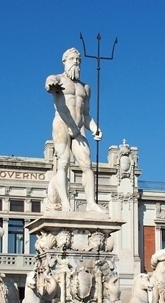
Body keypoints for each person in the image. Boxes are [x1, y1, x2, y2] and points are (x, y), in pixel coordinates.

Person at [45, 48, 104, 213]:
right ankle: (65, 202)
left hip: (78, 130)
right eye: (72, 59)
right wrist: (51, 85)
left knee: (87, 164)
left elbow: (86, 115)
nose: (76, 62)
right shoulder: (57, 79)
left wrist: (95, 128)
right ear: (64, 61)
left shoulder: (85, 88)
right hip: (62, 125)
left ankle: (91, 203)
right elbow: (49, 83)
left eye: (78, 60)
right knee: (63, 163)